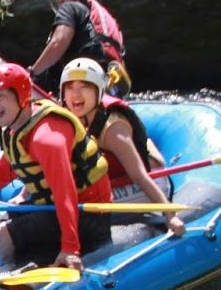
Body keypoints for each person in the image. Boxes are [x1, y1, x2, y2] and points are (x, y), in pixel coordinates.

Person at [0, 62, 111, 272]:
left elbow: (64, 193)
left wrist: (70, 249)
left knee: (3, 234)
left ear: (21, 96)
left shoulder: (46, 138)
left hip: (88, 215)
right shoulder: (16, 129)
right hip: (50, 207)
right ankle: (22, 266)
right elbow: (5, 169)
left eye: (1, 96)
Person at [59, 58, 184, 237]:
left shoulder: (112, 128)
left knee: (82, 209)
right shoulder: (69, 116)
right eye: (70, 87)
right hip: (113, 181)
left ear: (98, 91)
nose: (76, 95)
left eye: (84, 87)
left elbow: (139, 175)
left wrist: (169, 215)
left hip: (144, 182)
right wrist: (24, 195)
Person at [27, 0, 131, 98]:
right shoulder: (105, 19)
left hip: (80, 88)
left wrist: (32, 73)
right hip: (107, 91)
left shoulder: (71, 8)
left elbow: (58, 42)